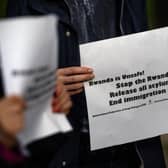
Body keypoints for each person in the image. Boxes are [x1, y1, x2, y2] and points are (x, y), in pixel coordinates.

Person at [7, 0, 166, 168]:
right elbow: (15, 90)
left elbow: (143, 57)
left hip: (129, 151)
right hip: (67, 151)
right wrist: (41, 85)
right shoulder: (24, 3)